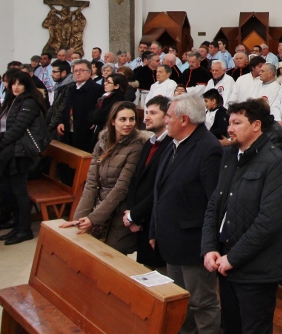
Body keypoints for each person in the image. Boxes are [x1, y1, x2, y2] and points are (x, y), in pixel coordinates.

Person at [201, 99, 282, 334]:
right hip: (226, 262)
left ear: (256, 125)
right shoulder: (230, 155)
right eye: (229, 123)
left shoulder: (277, 163)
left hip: (257, 271)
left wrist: (233, 257)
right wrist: (209, 246)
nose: (230, 129)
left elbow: (269, 222)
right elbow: (215, 204)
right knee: (230, 327)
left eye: (237, 123)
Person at [149, 93, 223, 334]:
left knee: (201, 302)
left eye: (168, 116)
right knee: (181, 299)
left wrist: (209, 245)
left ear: (184, 119)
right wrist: (154, 229)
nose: (165, 120)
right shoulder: (174, 142)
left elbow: (214, 203)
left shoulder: (208, 149)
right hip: (171, 239)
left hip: (193, 243)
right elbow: (160, 191)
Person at [63, 101, 145, 253]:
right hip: (100, 203)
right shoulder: (102, 143)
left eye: (132, 119)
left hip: (120, 209)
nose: (128, 124)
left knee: (109, 253)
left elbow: (121, 188)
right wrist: (79, 218)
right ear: (113, 121)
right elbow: (91, 183)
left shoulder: (137, 147)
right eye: (123, 119)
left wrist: (93, 218)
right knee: (83, 243)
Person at [0, 71, 48, 245]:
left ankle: (24, 229)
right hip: (10, 151)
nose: (15, 87)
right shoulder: (12, 100)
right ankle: (15, 223)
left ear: (27, 85)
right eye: (12, 83)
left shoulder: (29, 102)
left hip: (20, 153)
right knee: (8, 188)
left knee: (19, 190)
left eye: (20, 84)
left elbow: (17, 128)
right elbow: (1, 124)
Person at [123, 95, 170, 270]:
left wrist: (135, 215)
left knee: (157, 273)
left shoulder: (170, 145)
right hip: (139, 218)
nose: (146, 117)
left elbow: (159, 189)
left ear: (167, 117)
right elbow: (135, 180)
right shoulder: (148, 143)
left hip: (154, 221)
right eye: (147, 112)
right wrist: (131, 211)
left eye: (153, 113)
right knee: (143, 270)